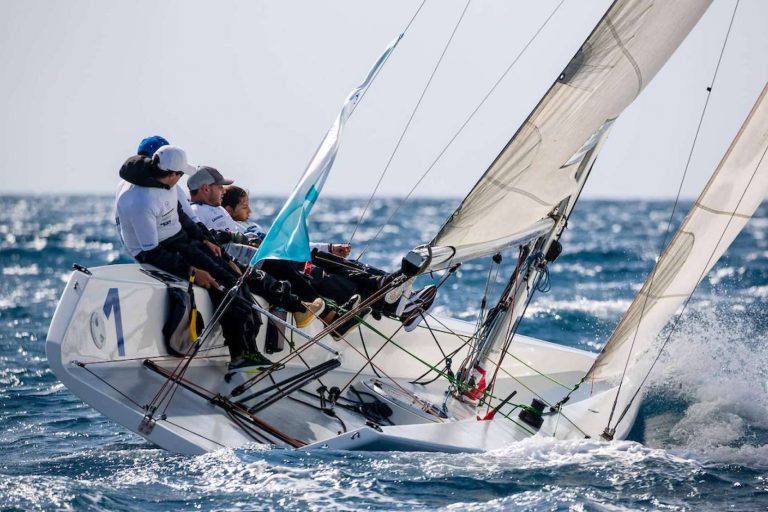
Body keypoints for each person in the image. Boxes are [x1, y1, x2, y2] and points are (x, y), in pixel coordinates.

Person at [115, 145, 321, 372]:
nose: (181, 179)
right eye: (181, 174)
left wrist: (206, 241)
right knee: (223, 286)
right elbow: (151, 252)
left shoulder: (166, 185)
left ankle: (249, 350)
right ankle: (238, 355)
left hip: (182, 241)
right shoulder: (139, 201)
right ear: (172, 174)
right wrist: (192, 272)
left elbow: (181, 217)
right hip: (160, 251)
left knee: (235, 276)